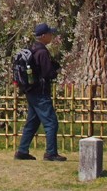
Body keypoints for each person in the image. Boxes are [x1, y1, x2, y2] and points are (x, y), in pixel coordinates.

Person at [15, 22, 65, 161]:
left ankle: (22, 151)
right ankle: (51, 153)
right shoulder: (42, 52)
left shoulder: (32, 49)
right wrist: (56, 70)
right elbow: (48, 73)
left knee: (32, 122)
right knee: (51, 122)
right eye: (50, 34)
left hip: (30, 91)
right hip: (40, 92)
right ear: (43, 36)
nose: (51, 36)